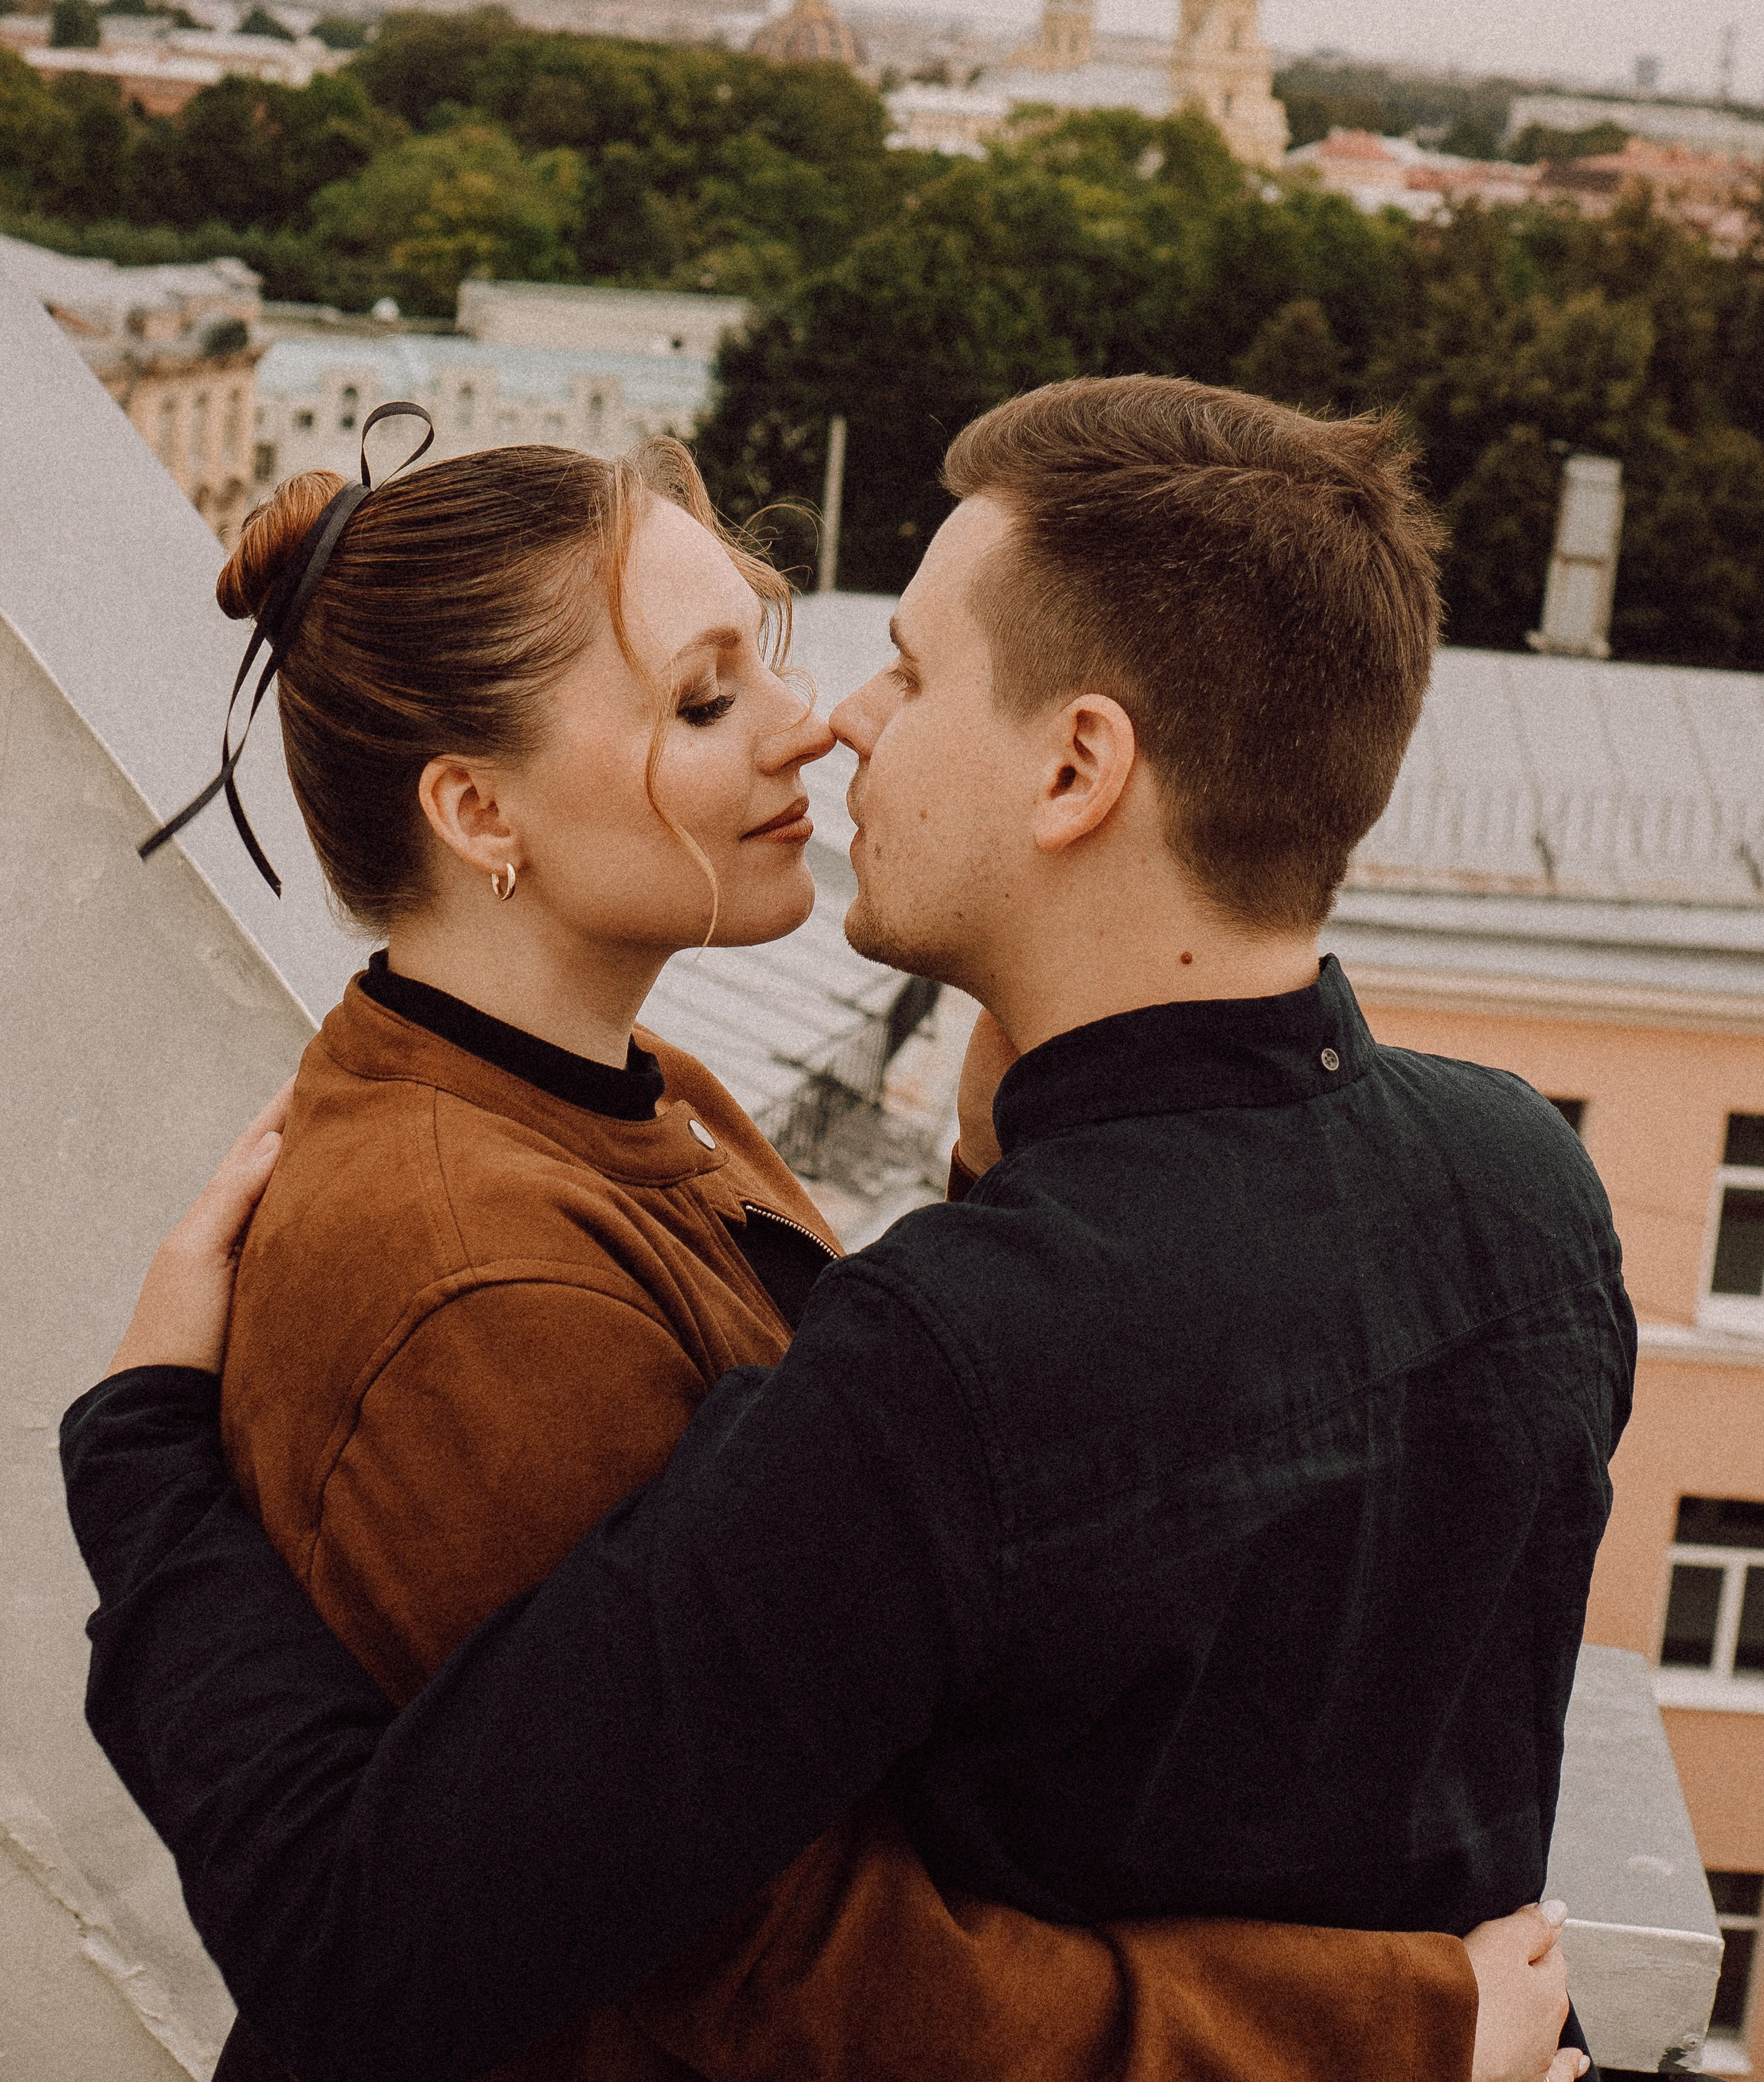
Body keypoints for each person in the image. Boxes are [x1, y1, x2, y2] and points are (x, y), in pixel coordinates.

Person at [61, 379, 1623, 2082]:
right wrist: (1403, 2034)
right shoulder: (1526, 1179)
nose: (832, 723)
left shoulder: (696, 1129)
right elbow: (594, 1957)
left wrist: (1034, 1186)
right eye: (712, 693)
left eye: (895, 669)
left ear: (1080, 764)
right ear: (476, 812)